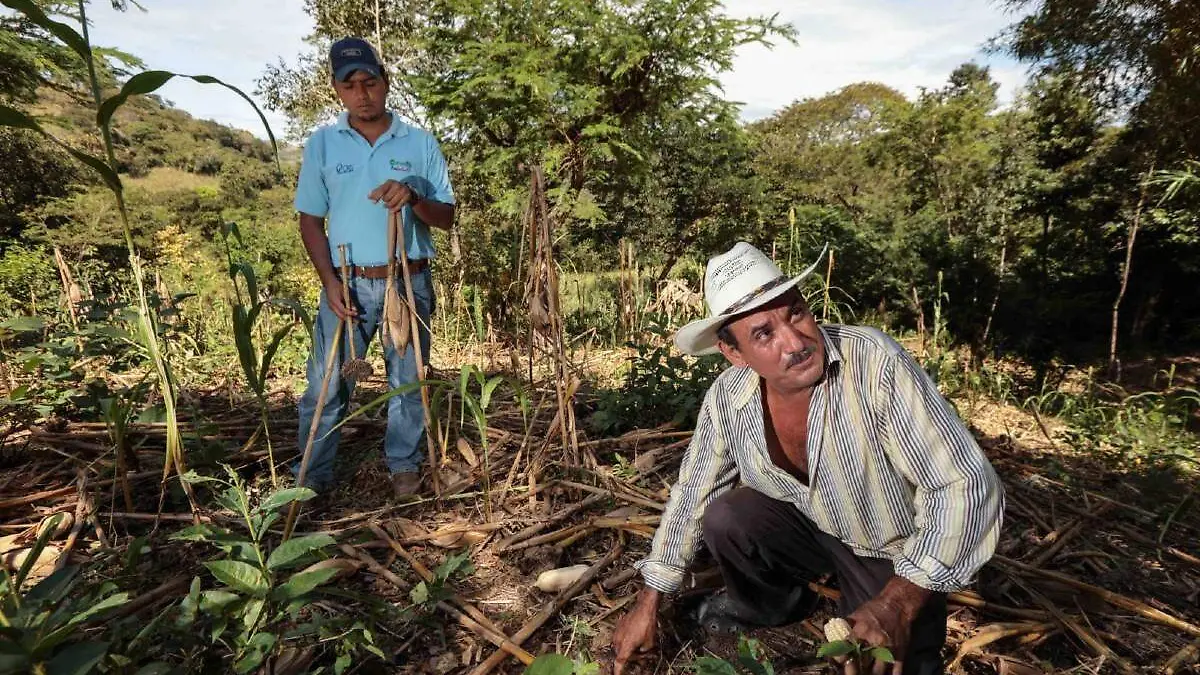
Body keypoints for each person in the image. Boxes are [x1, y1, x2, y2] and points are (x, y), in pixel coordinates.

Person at [610, 242, 1004, 675]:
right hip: (807, 524)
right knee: (726, 517)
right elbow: (693, 492)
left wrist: (898, 601)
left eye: (795, 312)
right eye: (764, 333)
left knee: (882, 661)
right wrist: (649, 600)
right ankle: (770, 606)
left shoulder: (873, 363)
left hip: (886, 546)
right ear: (735, 354)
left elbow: (964, 484)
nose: (795, 342)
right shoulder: (728, 396)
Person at [292, 37, 455, 499]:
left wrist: (414, 197)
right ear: (337, 90)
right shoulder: (322, 145)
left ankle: (404, 466)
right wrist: (329, 283)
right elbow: (309, 220)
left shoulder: (419, 142)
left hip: (407, 281)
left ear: (385, 83)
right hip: (347, 283)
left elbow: (446, 217)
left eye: (370, 82)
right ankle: (311, 479)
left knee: (408, 381)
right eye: (351, 85)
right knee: (326, 385)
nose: (362, 93)